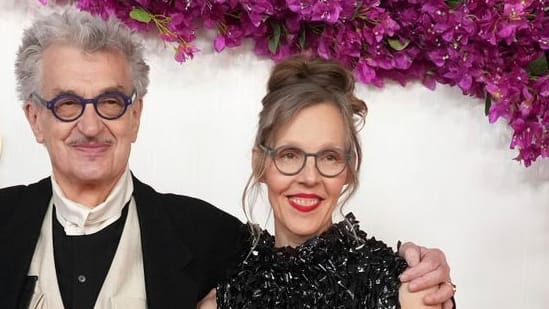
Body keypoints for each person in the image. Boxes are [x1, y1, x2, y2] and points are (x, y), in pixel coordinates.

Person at [0, 8, 454, 309]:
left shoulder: (210, 240)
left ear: (135, 115)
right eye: (66, 104)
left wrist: (428, 280)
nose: (91, 125)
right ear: (35, 119)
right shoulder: (234, 281)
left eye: (111, 102)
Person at [209, 55, 455, 308]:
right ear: (260, 163)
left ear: (349, 167)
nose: (309, 178)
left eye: (329, 157)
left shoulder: (409, 288)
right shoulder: (221, 298)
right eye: (290, 155)